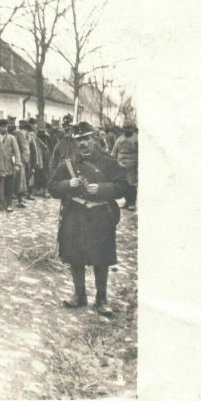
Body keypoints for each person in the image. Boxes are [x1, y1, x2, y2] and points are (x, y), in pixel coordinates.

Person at [48, 121, 127, 317]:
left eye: (86, 139)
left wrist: (102, 189)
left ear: (95, 139)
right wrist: (68, 184)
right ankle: (79, 295)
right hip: (75, 214)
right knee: (76, 256)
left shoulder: (109, 163)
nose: (82, 144)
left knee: (101, 257)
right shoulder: (67, 165)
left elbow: (124, 187)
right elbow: (52, 187)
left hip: (100, 215)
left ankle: (101, 299)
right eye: (78, 140)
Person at [0, 118, 23, 211]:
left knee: (9, 184)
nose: (4, 129)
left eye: (6, 127)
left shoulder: (11, 138)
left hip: (8, 164)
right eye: (2, 127)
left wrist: (17, 164)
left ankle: (9, 203)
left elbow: (17, 152)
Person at [111, 120, 138, 211]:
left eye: (129, 128)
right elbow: (114, 152)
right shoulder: (119, 139)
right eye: (125, 128)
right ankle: (127, 202)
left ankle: (132, 203)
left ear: (133, 128)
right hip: (121, 165)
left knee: (131, 184)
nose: (126, 130)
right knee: (124, 184)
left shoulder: (136, 139)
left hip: (132, 166)